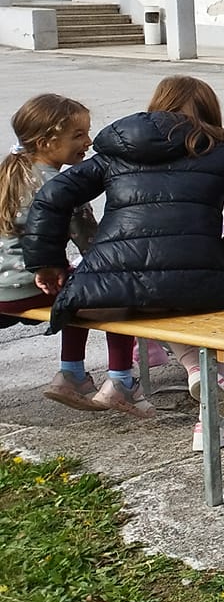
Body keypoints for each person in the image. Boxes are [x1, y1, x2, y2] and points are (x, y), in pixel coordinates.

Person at [21, 76, 224, 451]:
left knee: (159, 297)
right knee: (210, 303)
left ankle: (185, 374)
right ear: (210, 113)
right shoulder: (220, 148)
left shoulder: (119, 148)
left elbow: (52, 195)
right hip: (196, 279)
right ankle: (212, 421)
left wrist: (46, 262)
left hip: (107, 285)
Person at [0, 95, 145, 416]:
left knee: (76, 287)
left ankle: (74, 375)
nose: (89, 142)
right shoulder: (65, 186)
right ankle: (119, 381)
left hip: (2, 290)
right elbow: (93, 246)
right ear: (46, 142)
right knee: (116, 292)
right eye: (78, 135)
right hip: (29, 288)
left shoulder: (7, 174)